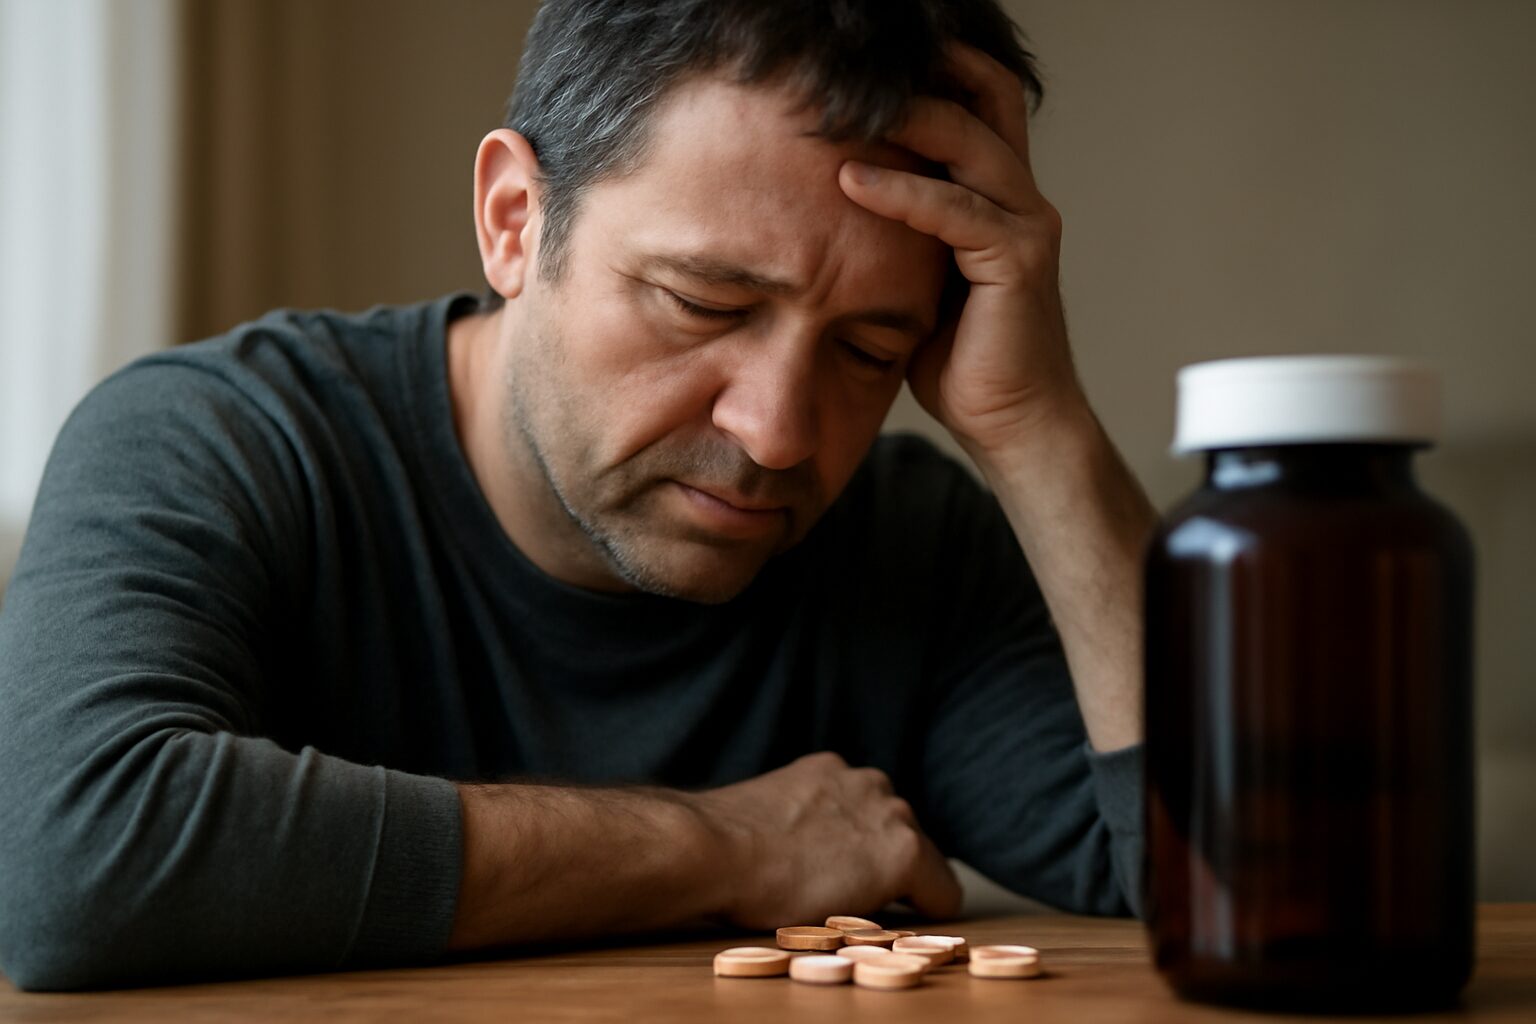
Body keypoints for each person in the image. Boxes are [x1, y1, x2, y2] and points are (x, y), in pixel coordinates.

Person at [0, 0, 1155, 992]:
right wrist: (724, 847)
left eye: (867, 350)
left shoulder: (906, 540)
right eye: (703, 304)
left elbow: (1274, 876)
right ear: (514, 218)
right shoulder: (221, 440)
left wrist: (1036, 427)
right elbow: (75, 865)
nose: (777, 430)